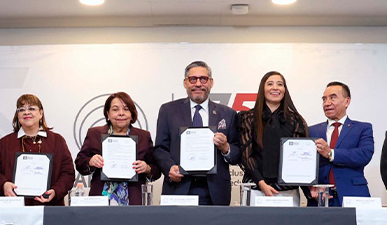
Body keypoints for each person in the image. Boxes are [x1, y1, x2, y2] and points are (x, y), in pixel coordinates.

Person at [153, 60, 240, 205]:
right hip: (178, 187)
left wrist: (226, 148)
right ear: (185, 83)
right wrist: (169, 168)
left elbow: (237, 153)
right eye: (193, 79)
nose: (198, 84)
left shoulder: (228, 114)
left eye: (203, 79)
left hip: (215, 191)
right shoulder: (168, 110)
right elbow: (160, 148)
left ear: (211, 82)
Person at [0, 94, 75, 206]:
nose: (26, 112)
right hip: (14, 207)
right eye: (21, 109)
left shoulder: (57, 140)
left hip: (50, 208)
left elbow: (68, 173)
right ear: (17, 115)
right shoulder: (5, 142)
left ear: (41, 113)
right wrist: (4, 185)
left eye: (31, 108)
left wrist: (55, 191)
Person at [75, 92, 161, 205]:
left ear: (132, 114)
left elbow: (156, 170)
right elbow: (79, 163)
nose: (121, 113)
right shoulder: (94, 134)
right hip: (101, 199)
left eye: (126, 109)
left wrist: (147, 168)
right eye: (115, 109)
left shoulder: (143, 136)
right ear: (108, 113)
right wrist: (90, 162)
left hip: (133, 200)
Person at [238, 71, 309, 206]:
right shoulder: (248, 118)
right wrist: (261, 183)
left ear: (285, 90)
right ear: (262, 89)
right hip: (255, 188)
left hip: (287, 190)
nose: (275, 88)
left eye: (280, 84)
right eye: (270, 84)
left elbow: (299, 158)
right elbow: (245, 154)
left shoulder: (296, 120)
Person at [307, 81, 374, 207]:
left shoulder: (363, 128)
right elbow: (304, 165)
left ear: (347, 101)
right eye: (324, 99)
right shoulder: (311, 131)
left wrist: (331, 153)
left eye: (332, 98)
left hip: (354, 195)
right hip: (320, 199)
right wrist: (310, 188)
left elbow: (364, 154)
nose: (327, 103)